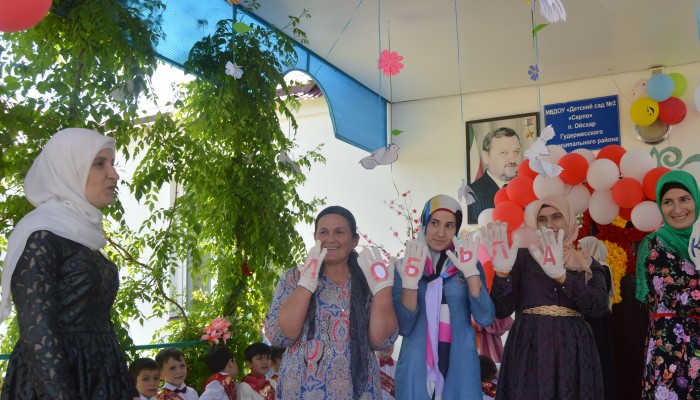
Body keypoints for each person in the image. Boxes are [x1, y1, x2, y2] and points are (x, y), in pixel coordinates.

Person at [0, 127, 139, 400]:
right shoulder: (41, 235)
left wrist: (126, 386)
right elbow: (38, 333)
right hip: (56, 380)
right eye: (99, 164)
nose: (114, 174)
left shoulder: (84, 235)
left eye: (112, 163)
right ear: (69, 170)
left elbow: (101, 321)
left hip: (102, 376)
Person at [264, 205, 398, 399]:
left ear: (355, 240)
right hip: (302, 389)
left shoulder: (370, 280)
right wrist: (305, 285)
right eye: (324, 232)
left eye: (339, 232)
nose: (331, 239)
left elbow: (382, 342)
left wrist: (383, 294)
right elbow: (280, 337)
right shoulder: (294, 277)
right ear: (315, 237)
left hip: (358, 390)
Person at [488, 195, 609, 399]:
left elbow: (599, 307)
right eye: (542, 219)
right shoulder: (522, 258)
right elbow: (501, 310)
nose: (549, 224)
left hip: (573, 347)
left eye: (556, 217)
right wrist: (501, 274)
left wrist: (563, 277)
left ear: (569, 221)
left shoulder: (587, 263)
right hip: (529, 345)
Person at [392, 194, 495, 399]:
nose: (440, 233)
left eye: (449, 225)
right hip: (417, 364)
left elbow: (485, 317)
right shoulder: (406, 265)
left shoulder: (468, 263)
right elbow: (404, 327)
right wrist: (411, 283)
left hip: (459, 363)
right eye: (434, 223)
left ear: (457, 228)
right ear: (424, 223)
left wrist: (471, 273)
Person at [635, 170, 700, 399]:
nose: (677, 209)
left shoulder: (697, 239)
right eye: (668, 202)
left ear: (696, 200)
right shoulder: (656, 244)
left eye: (684, 199)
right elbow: (679, 298)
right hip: (672, 353)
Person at [579, 236, 616, 400]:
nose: (579, 251)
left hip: (596, 319)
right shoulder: (591, 266)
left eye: (582, 248)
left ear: (591, 249)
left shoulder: (600, 267)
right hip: (594, 318)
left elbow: (597, 297)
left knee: (598, 355)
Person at [468, 127, 521, 224]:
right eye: (503, 153)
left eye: (516, 151)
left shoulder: (528, 188)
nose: (513, 159)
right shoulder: (472, 194)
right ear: (486, 157)